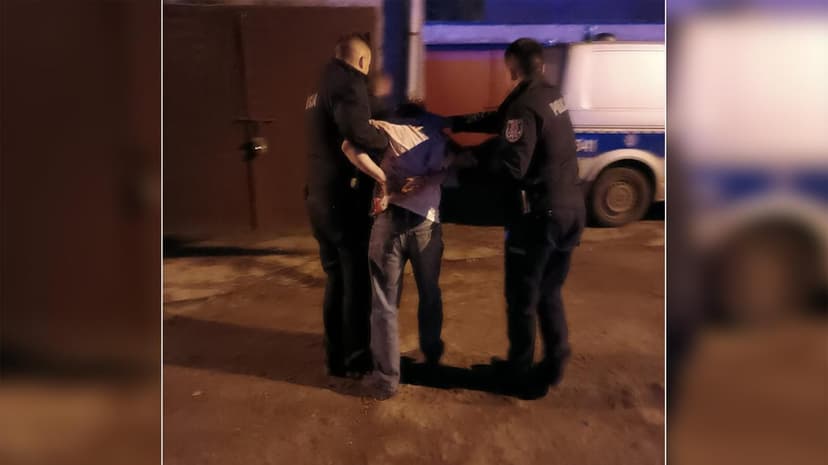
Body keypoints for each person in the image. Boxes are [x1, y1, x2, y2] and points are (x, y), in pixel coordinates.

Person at [449, 38, 586, 399]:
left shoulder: (524, 105)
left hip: (539, 216)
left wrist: (465, 163)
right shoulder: (549, 94)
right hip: (571, 210)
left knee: (522, 297)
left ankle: (519, 374)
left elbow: (513, 167)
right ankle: (553, 365)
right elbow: (501, 120)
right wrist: (454, 122)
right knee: (549, 292)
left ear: (513, 64)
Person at [341, 102, 475, 399]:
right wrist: (426, 180)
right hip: (427, 223)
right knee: (430, 293)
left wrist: (383, 179)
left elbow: (348, 146)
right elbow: (456, 165)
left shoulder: (385, 129)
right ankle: (431, 357)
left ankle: (386, 379)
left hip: (390, 223)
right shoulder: (436, 134)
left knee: (385, 304)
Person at [304, 33, 389, 378]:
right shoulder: (348, 83)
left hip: (318, 198)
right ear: (363, 61)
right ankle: (357, 358)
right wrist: (387, 140)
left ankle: (335, 356)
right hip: (342, 201)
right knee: (356, 281)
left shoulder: (319, 84)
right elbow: (358, 132)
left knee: (336, 278)